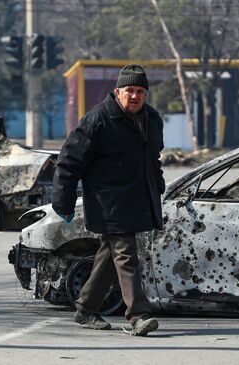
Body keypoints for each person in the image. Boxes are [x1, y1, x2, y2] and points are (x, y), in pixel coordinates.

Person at [52, 64, 165, 336]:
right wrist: (63, 200)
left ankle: (86, 307)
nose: (135, 96)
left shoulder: (151, 119)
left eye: (140, 91)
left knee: (108, 255)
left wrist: (157, 185)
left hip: (136, 199)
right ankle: (138, 314)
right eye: (130, 90)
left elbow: (153, 158)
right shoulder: (99, 118)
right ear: (118, 91)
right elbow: (69, 160)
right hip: (109, 201)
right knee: (127, 255)